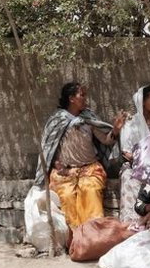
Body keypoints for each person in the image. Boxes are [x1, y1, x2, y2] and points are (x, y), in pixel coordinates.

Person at [34, 82, 127, 228]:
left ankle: (92, 237)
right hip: (65, 172)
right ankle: (75, 239)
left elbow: (106, 140)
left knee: (90, 191)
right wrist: (56, 164)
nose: (85, 99)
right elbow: (48, 149)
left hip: (90, 170)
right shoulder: (57, 120)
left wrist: (115, 130)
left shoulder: (88, 117)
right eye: (82, 95)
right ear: (71, 98)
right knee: (67, 197)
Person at [118, 86, 150, 222]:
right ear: (142, 102)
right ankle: (132, 221)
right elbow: (126, 152)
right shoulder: (131, 124)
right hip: (137, 164)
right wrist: (142, 161)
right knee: (128, 177)